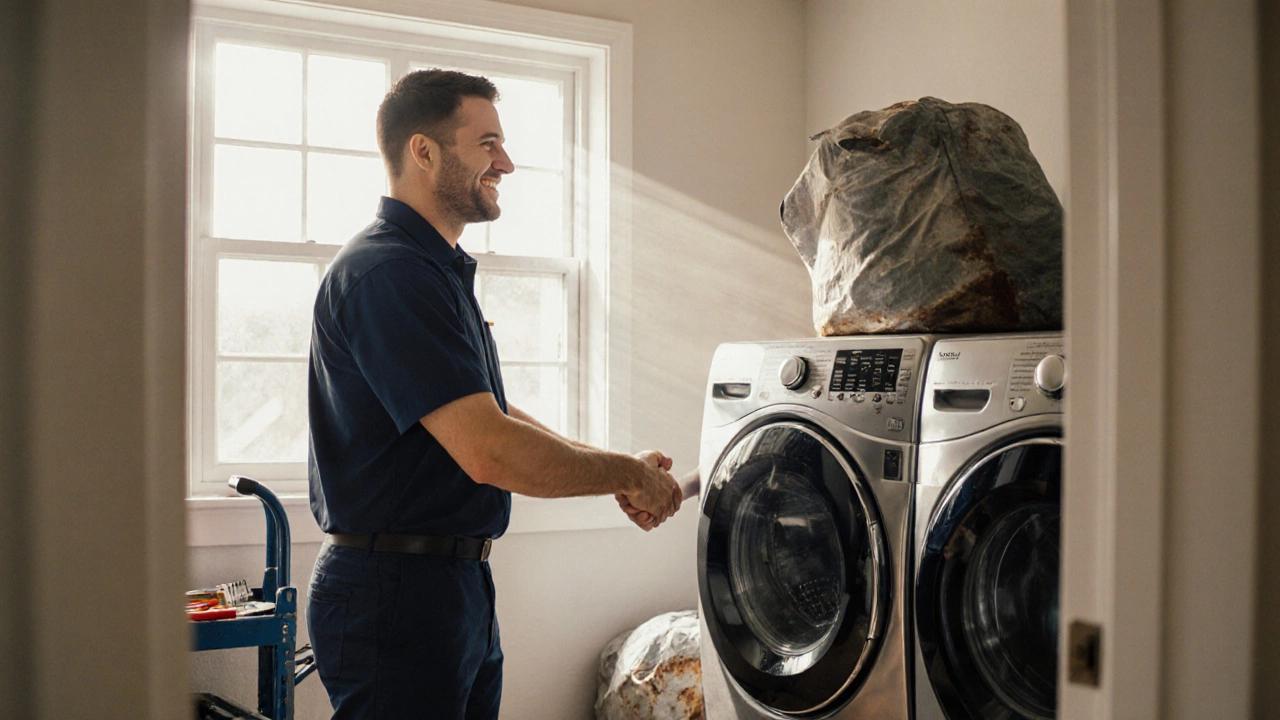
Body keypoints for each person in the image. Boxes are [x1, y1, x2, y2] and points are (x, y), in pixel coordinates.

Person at [306, 69, 684, 719]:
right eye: (488, 144)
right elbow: (489, 451)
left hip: (451, 585)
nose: (505, 163)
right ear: (424, 152)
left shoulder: (430, 270)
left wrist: (622, 467)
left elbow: (491, 414)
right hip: (397, 593)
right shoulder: (389, 273)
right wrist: (625, 475)